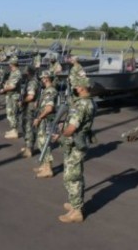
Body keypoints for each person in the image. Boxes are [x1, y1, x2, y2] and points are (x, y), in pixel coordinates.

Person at [58, 78, 95, 223]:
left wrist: (62, 133)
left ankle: (77, 211)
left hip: (75, 144)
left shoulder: (82, 104)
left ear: (82, 87)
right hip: (77, 143)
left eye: (77, 85)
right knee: (75, 175)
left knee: (72, 177)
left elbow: (72, 128)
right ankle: (75, 204)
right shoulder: (88, 101)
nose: (75, 87)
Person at [32, 70, 58, 178]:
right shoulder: (46, 90)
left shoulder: (50, 91)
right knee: (41, 142)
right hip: (44, 120)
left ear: (47, 78)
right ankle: (44, 165)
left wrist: (39, 118)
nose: (42, 80)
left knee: (45, 143)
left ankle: (48, 169)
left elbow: (49, 108)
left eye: (43, 78)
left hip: (47, 120)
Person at [19, 65, 40, 158]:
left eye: (26, 73)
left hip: (30, 108)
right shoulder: (29, 81)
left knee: (29, 127)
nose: (25, 75)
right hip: (27, 107)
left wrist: (23, 101)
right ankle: (27, 145)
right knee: (24, 125)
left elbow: (31, 96)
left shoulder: (32, 82)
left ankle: (29, 148)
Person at [0, 56, 22, 139]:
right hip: (10, 95)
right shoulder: (13, 72)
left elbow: (12, 86)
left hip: (14, 96)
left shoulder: (17, 73)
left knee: (12, 113)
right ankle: (13, 129)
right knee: (10, 113)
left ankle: (15, 131)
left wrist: (3, 89)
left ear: (12, 64)